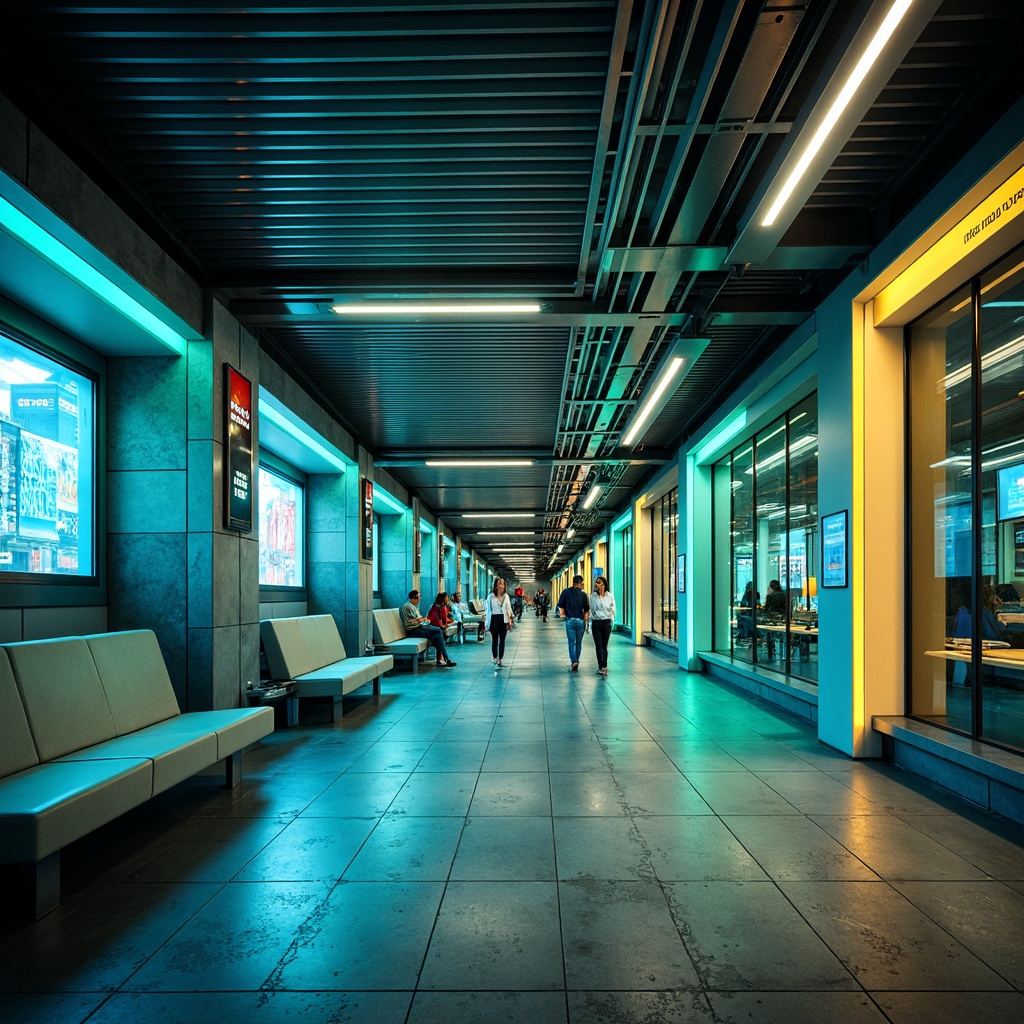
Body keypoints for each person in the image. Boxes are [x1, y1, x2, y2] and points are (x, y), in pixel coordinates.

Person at [401, 589, 457, 667]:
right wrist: (422, 619)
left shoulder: (414, 606)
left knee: (438, 635)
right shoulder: (407, 606)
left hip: (420, 627)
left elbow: (419, 619)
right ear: (414, 597)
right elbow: (413, 620)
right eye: (418, 597)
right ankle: (444, 659)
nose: (420, 599)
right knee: (438, 631)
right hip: (414, 630)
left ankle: (444, 659)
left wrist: (423, 620)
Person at [556, 574, 590, 671]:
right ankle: (577, 661)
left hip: (570, 620)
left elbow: (560, 605)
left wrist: (563, 614)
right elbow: (586, 609)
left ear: (573, 583)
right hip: (580, 621)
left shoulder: (565, 592)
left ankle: (573, 661)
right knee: (578, 643)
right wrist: (585, 620)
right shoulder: (583, 595)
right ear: (580, 583)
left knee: (571, 642)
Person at [484, 577, 514, 667]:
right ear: (496, 586)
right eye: (499, 583)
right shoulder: (490, 596)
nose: (501, 585)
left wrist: (510, 620)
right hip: (494, 619)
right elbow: (487, 609)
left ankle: (500, 659)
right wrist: (486, 622)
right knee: (495, 639)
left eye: (503, 583)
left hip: (503, 619)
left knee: (502, 640)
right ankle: (494, 657)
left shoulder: (506, 596)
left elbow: (509, 608)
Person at [589, 574, 616, 675]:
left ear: (604, 584)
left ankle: (605, 665)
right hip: (596, 623)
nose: (596, 584)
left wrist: (604, 612)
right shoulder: (593, 596)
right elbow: (593, 610)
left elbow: (612, 610)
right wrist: (604, 610)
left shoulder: (610, 596)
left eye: (599, 582)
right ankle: (600, 666)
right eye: (596, 582)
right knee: (598, 645)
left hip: (606, 623)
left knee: (604, 645)